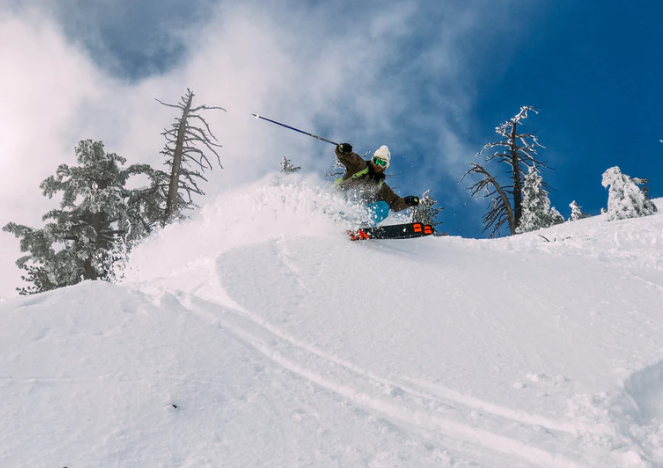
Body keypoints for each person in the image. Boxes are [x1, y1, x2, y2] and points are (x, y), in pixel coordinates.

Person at [334, 143, 419, 225]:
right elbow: (350, 158)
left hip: (357, 212)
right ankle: (336, 218)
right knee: (344, 203)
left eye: (382, 163)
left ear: (385, 166)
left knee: (384, 206)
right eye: (376, 161)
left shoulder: (381, 187)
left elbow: (394, 203)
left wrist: (407, 201)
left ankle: (364, 224)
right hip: (341, 201)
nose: (378, 165)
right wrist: (343, 151)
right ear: (372, 160)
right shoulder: (360, 167)